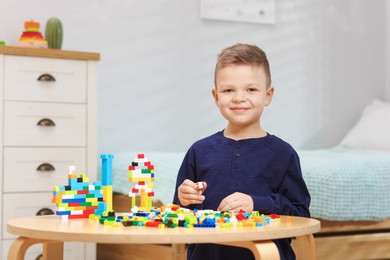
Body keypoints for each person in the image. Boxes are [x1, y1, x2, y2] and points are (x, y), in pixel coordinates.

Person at [172, 43, 310, 260]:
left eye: (251, 89)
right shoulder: (199, 151)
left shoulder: (283, 154)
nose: (238, 98)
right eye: (228, 90)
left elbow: (301, 215)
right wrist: (183, 200)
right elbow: (178, 215)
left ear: (268, 95)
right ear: (216, 96)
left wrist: (256, 204)